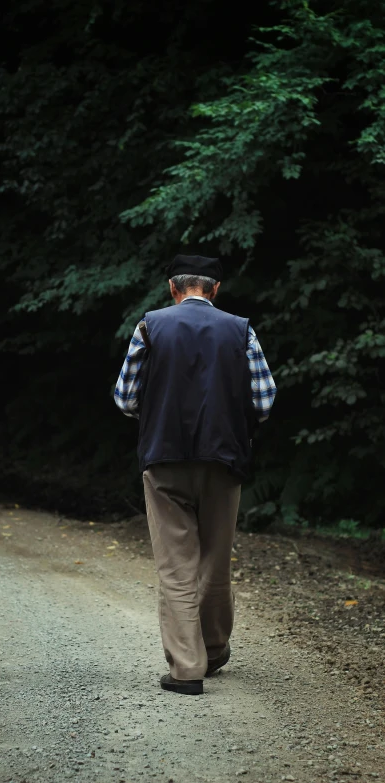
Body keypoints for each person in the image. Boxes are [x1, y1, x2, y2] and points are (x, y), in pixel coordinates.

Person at [114, 254, 277, 695]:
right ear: (215, 289)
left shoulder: (150, 326)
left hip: (164, 461)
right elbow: (263, 402)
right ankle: (215, 647)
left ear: (173, 288)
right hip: (224, 461)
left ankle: (187, 669)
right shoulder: (240, 329)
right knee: (215, 559)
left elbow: (126, 399)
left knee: (175, 566)